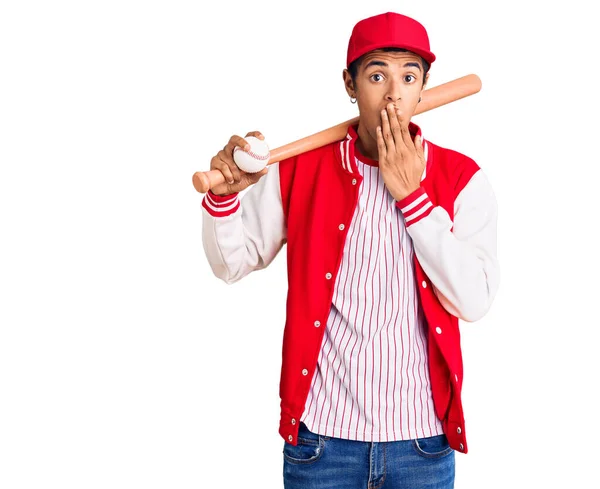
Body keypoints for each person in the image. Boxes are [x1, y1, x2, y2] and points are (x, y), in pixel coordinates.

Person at [201, 11, 499, 489]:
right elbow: (232, 262)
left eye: (409, 76)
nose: (394, 94)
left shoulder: (462, 179)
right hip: (321, 444)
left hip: (421, 444)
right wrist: (224, 196)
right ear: (350, 84)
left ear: (425, 86)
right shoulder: (299, 170)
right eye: (377, 75)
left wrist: (414, 199)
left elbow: (475, 300)